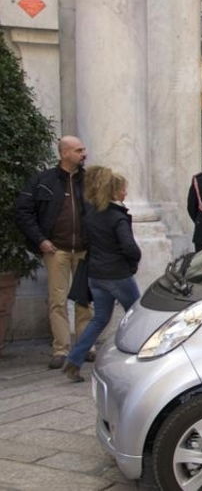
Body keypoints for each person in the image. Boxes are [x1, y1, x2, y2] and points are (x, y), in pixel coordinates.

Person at [14, 136, 94, 369]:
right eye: (79, 150)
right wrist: (41, 240)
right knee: (57, 301)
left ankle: (85, 345)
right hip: (55, 250)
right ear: (65, 153)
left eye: (83, 149)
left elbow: (101, 209)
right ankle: (60, 349)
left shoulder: (89, 180)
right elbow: (23, 211)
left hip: (83, 251)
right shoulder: (43, 180)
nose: (83, 153)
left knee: (84, 301)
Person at [63, 167, 141, 382]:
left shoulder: (92, 215)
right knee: (138, 315)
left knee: (99, 319)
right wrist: (133, 261)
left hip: (95, 274)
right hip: (117, 274)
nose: (125, 192)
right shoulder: (117, 217)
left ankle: (74, 360)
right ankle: (140, 358)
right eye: (123, 189)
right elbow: (130, 248)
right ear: (115, 192)